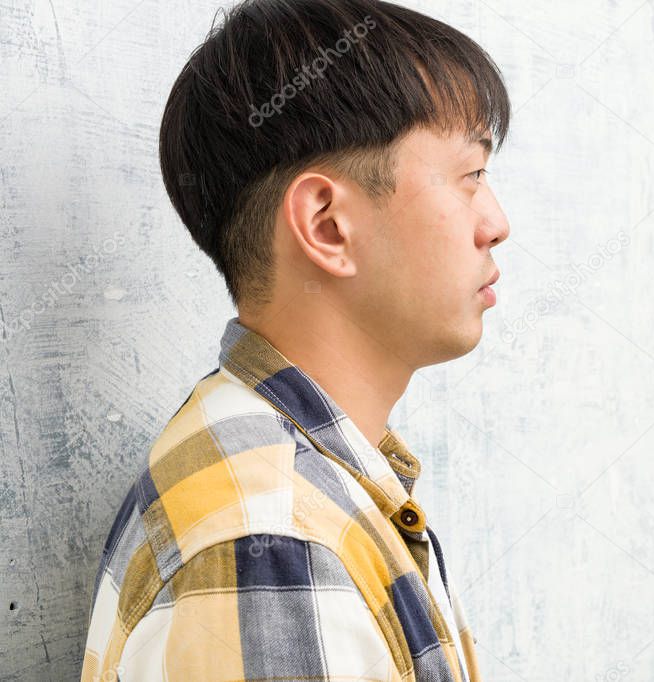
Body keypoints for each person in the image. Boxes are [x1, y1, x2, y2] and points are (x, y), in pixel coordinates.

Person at [80, 0, 511, 679]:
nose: (496, 223)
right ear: (327, 225)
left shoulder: (306, 486)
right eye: (470, 177)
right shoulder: (273, 537)